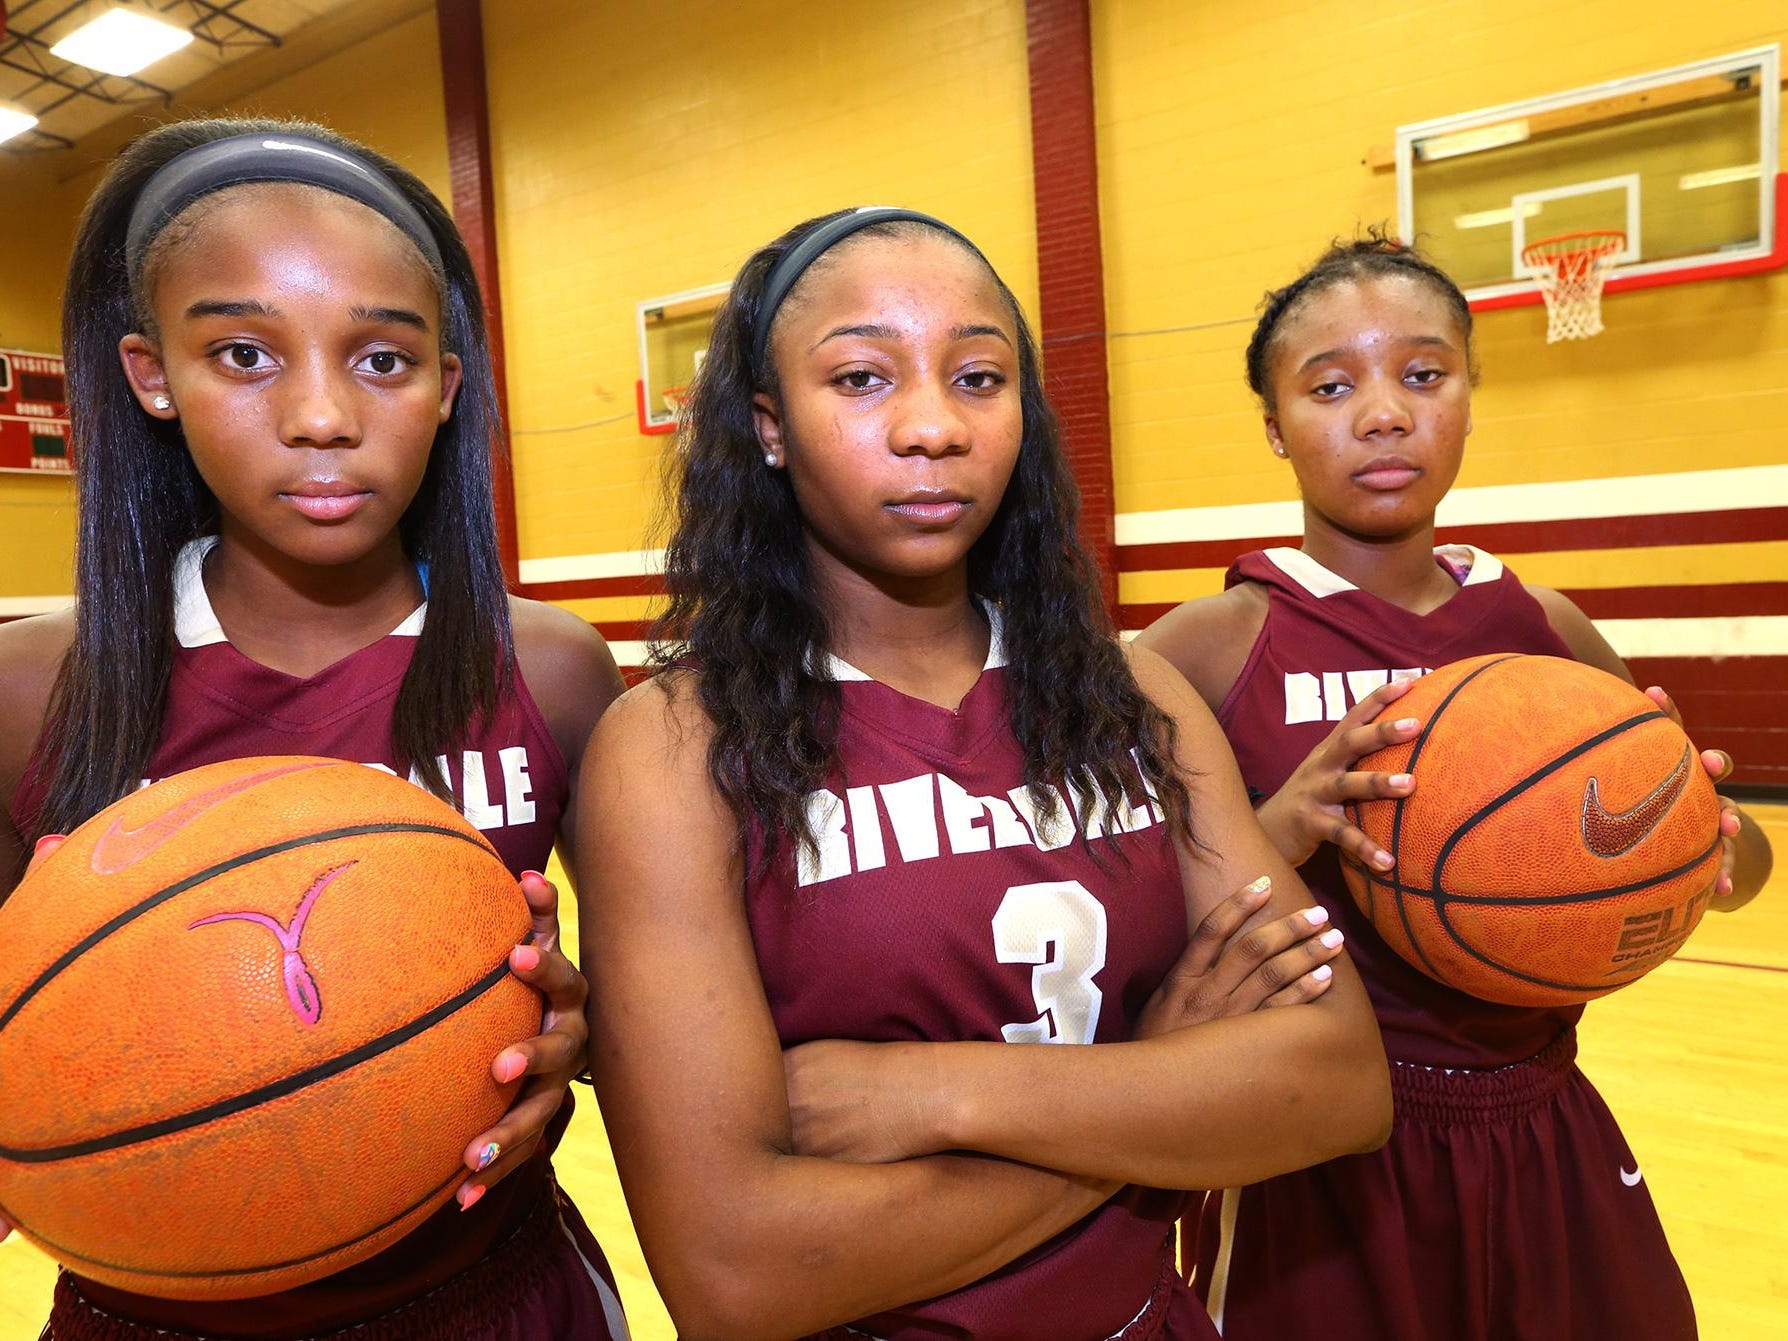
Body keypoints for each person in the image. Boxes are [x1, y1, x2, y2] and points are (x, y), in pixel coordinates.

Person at [576, 206, 1392, 1340]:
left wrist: (943, 1094)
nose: (930, 427)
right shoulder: (672, 747)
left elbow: (1341, 1081)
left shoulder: (1137, 699)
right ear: (768, 427)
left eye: (977, 378)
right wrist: (1163, 1099)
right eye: (861, 379)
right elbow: (739, 1274)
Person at [0, 117, 631, 1340]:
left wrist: (575, 1031)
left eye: (383, 361)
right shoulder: (33, 686)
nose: (323, 415)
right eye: (243, 353)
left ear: (447, 389)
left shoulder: (548, 670)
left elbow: (648, 1029)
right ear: (149, 376)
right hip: (152, 1311)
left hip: (496, 1295)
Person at [1138, 233, 1774, 1341]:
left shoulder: (1545, 632)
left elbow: (1740, 870)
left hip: (1540, 1121)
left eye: (1423, 375)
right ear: (1274, 426)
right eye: (1330, 386)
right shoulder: (1202, 649)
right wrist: (1283, 826)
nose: (1383, 413)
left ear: (1472, 396)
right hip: (1307, 1140)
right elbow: (1127, 914)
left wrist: (1699, 839)